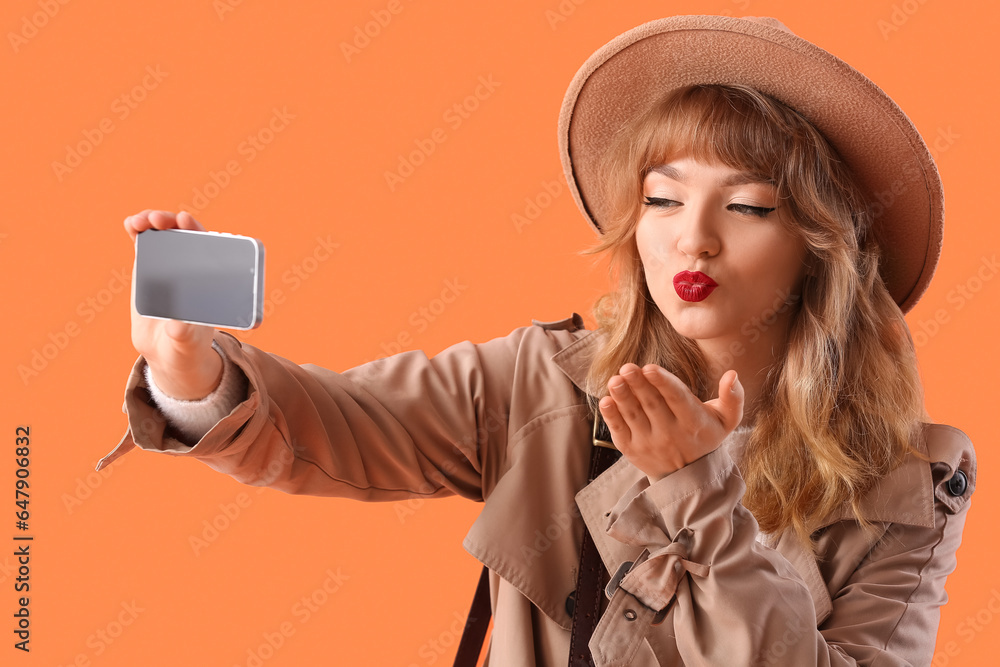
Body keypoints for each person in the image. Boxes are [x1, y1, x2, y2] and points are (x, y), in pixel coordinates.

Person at [98, 15, 975, 667]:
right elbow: (335, 423)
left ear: (821, 245)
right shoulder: (544, 383)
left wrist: (698, 492)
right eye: (663, 200)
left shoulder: (909, 484)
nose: (692, 240)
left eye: (747, 207)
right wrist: (192, 368)